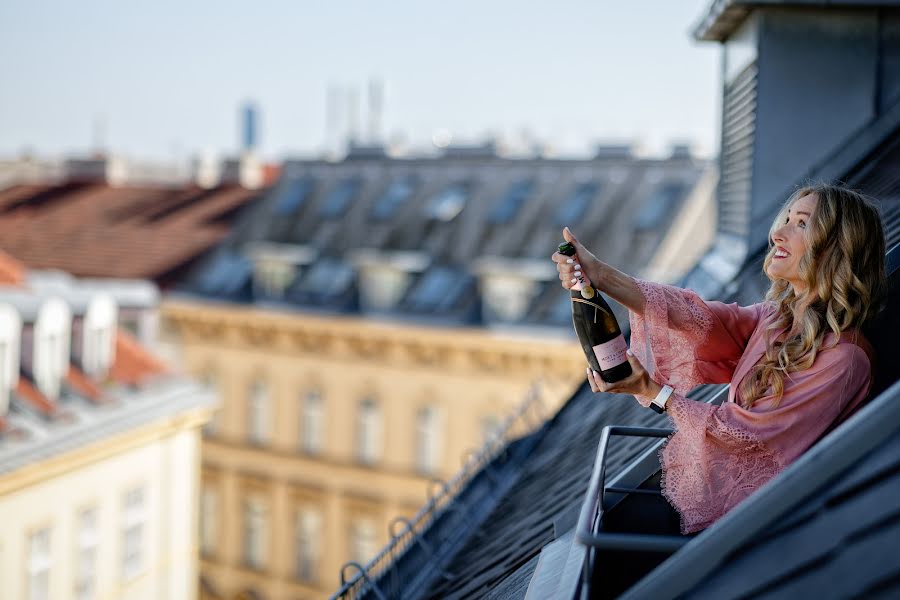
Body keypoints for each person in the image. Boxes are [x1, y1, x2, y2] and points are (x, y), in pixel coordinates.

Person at [551, 183, 886, 534]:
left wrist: (655, 392)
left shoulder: (845, 360)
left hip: (770, 531)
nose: (778, 234)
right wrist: (600, 275)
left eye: (801, 224)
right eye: (785, 219)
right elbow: (698, 319)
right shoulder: (777, 320)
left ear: (837, 248)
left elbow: (749, 437)